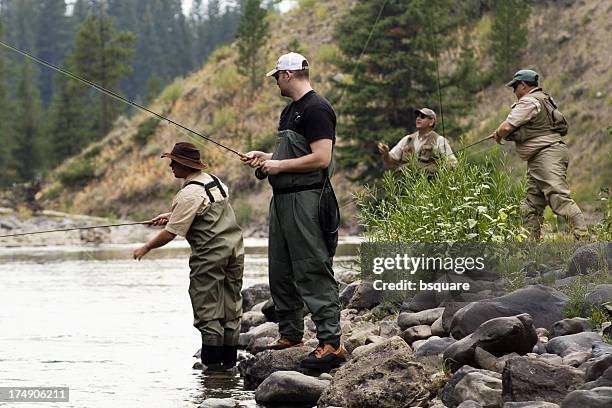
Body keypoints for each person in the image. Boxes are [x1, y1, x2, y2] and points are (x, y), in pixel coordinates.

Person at [241, 52, 345, 370]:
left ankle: (332, 343)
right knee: (281, 270)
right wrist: (266, 157)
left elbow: (321, 158)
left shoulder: (317, 109)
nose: (274, 81)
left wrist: (279, 163)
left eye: (276, 76)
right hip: (282, 201)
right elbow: (291, 152)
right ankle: (290, 334)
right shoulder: (289, 112)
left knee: (312, 267)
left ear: (287, 75)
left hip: (307, 201)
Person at [133, 142, 244, 367]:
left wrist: (146, 248)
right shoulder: (214, 181)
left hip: (209, 257)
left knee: (208, 312)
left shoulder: (188, 193)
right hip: (234, 251)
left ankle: (212, 373)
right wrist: (171, 214)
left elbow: (170, 234)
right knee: (231, 309)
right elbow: (202, 207)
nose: (171, 166)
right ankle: (229, 367)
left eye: (174, 162)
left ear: (185, 164)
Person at [489, 69, 587, 240]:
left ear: (523, 85)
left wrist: (498, 133)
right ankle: (530, 248)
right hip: (542, 157)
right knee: (530, 206)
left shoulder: (528, 101)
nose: (514, 92)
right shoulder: (544, 100)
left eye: (515, 88)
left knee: (559, 198)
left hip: (546, 156)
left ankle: (586, 242)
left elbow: (506, 127)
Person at [378, 107, 457, 177]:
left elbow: (453, 164)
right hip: (406, 188)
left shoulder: (439, 140)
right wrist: (385, 153)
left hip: (428, 188)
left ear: (431, 122)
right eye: (417, 116)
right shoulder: (407, 139)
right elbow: (390, 161)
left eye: (422, 117)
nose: (418, 118)